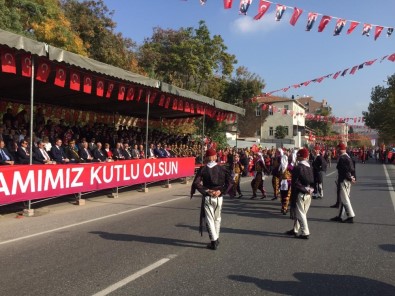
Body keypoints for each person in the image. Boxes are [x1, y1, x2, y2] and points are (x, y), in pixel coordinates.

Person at [191, 148, 232, 250]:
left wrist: (207, 190)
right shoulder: (222, 168)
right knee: (217, 218)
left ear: (207, 157)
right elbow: (230, 182)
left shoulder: (203, 169)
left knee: (209, 219)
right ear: (214, 157)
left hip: (208, 196)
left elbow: (196, 183)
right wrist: (221, 191)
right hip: (219, 197)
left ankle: (214, 241)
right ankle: (216, 238)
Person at [287, 148, 314, 239]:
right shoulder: (309, 166)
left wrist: (304, 189)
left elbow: (295, 182)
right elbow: (313, 180)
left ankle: (305, 232)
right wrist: (310, 189)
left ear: (300, 156)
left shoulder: (298, 168)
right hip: (309, 193)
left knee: (300, 214)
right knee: (303, 213)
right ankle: (295, 229)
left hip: (300, 193)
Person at [330, 143, 356, 223]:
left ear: (341, 149)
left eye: (338, 149)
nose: (337, 151)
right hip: (347, 180)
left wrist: (349, 178)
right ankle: (340, 216)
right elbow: (352, 169)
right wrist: (353, 177)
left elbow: (345, 170)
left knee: (345, 199)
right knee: (343, 199)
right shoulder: (348, 157)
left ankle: (350, 216)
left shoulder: (343, 158)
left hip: (344, 180)